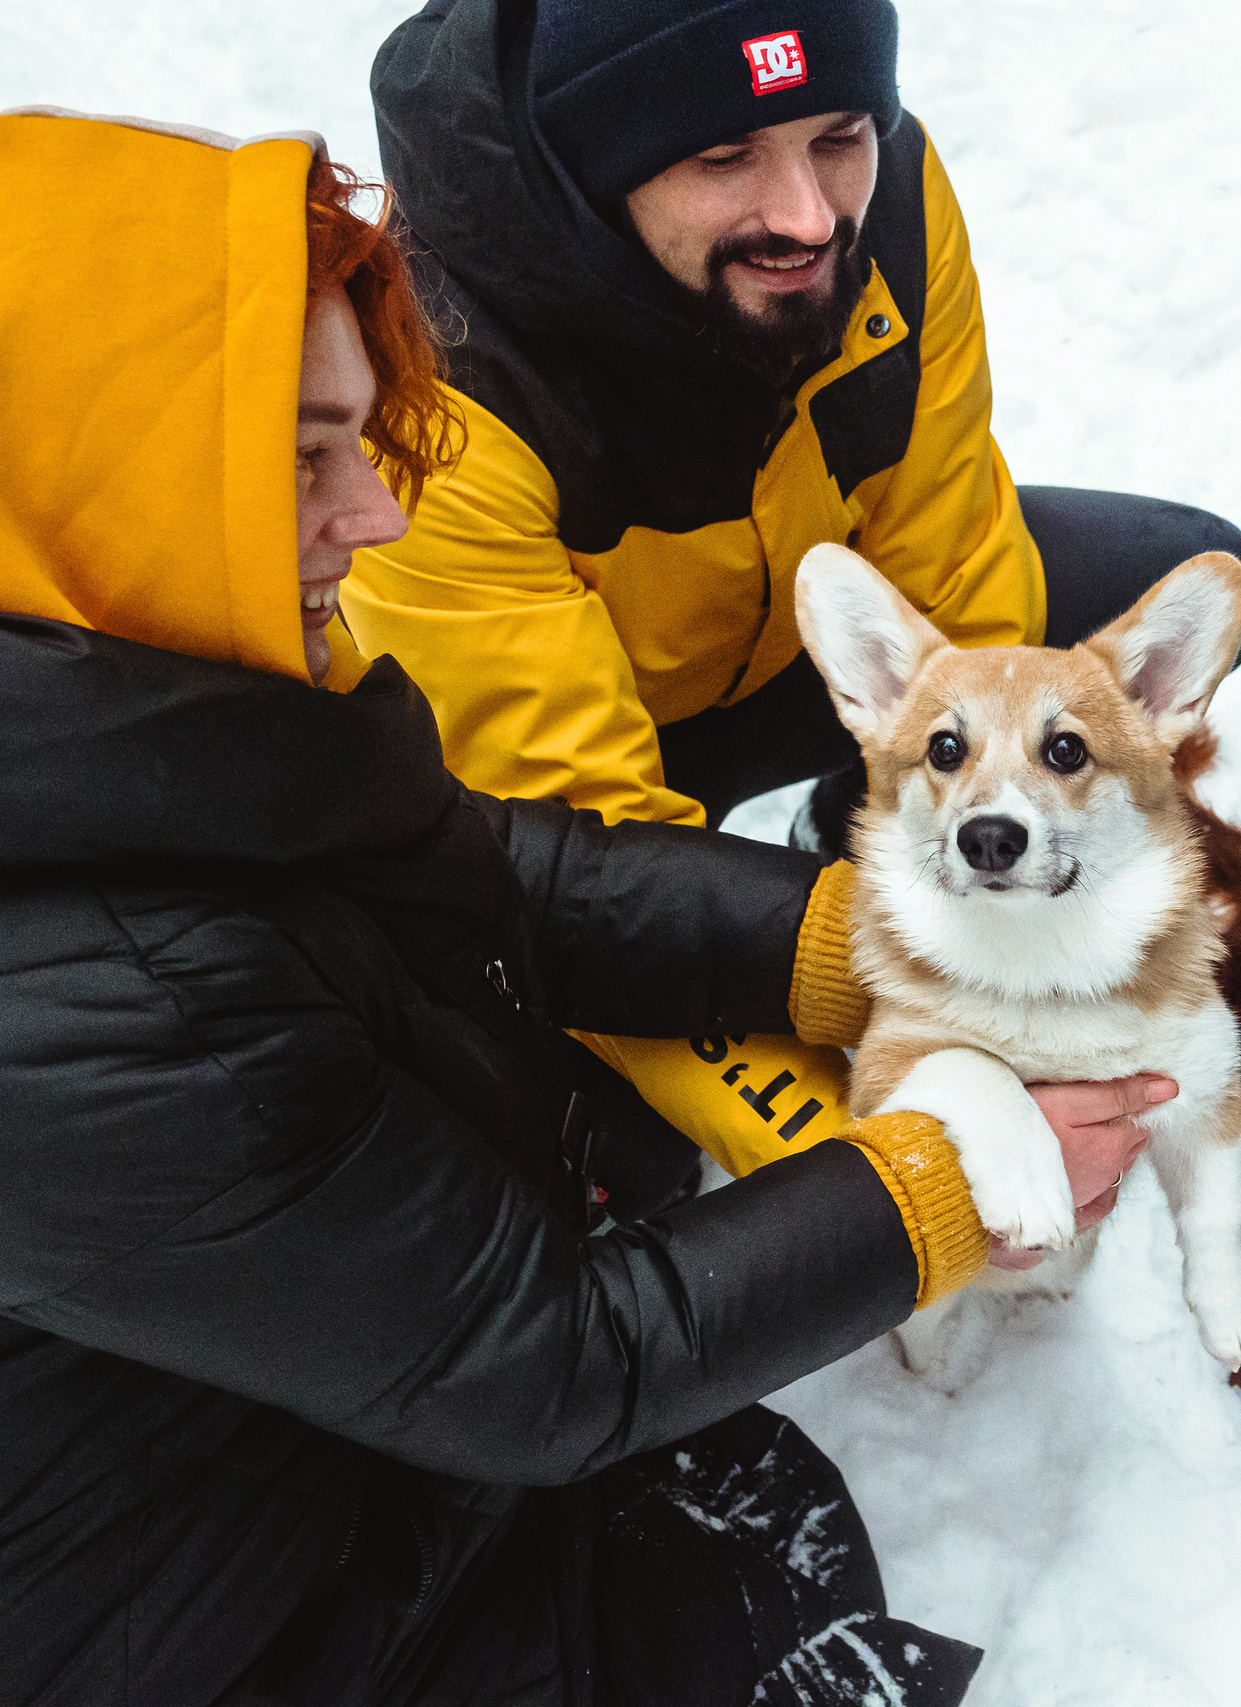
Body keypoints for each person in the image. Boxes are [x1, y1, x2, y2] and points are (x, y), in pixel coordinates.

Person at [0, 109, 1152, 1706]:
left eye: (360, 439)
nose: (376, 513)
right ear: (90, 475)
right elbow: (548, 1363)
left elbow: (498, 868)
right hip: (218, 1608)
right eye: (300, 460)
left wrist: (868, 941)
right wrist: (928, 1182)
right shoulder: (98, 997)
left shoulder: (150, 713)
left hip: (300, 1343)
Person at [346, 0, 1241, 1194]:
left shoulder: (891, 202)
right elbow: (574, 869)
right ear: (590, 170)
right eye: (723, 156)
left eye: (839, 134)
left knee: (1154, 570)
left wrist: (1011, 937)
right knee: (618, 1153)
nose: (808, 215)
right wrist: (901, 1151)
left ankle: (851, 829)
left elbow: (964, 583)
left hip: (794, 643)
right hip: (561, 760)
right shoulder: (440, 375)